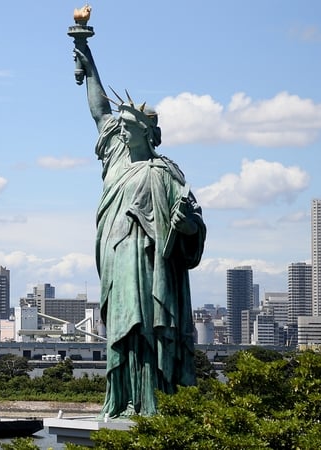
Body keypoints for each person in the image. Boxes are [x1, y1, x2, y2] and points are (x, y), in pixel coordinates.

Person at [73, 29, 206, 418]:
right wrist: (86, 54)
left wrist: (186, 227)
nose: (121, 129)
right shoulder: (117, 157)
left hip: (149, 267)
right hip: (117, 263)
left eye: (129, 126)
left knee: (145, 332)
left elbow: (194, 225)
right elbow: (100, 111)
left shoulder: (166, 173)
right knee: (122, 333)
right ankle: (123, 401)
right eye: (123, 126)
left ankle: (150, 404)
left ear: (147, 133)